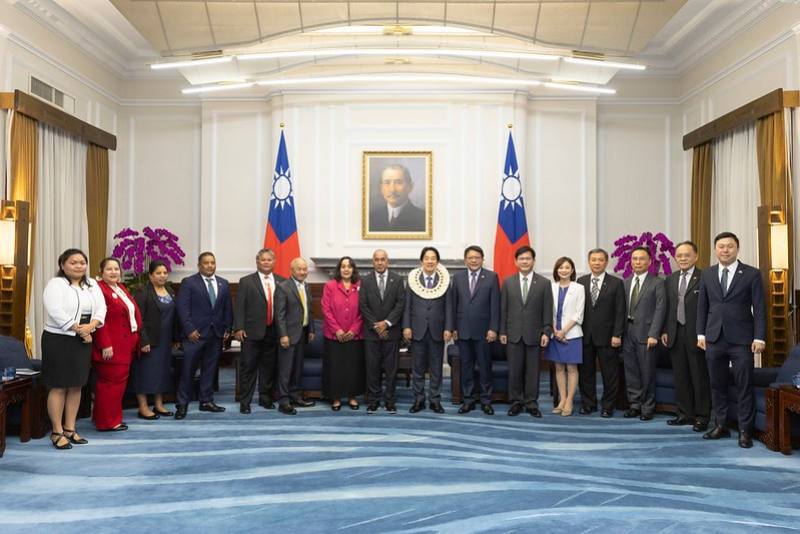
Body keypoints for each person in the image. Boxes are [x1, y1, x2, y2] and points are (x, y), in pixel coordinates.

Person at [697, 231, 766, 448]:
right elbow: (702, 307)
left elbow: (760, 309)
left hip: (742, 340)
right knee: (717, 385)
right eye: (721, 246)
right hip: (714, 338)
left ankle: (745, 431)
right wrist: (701, 334)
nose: (725, 250)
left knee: (744, 385)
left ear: (737, 249)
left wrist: (760, 337)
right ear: (715, 249)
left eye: (729, 246)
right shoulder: (707, 274)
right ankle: (721, 425)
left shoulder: (751, 274)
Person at [41, 249, 106, 449]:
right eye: (73, 262)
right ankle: (57, 431)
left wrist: (90, 327)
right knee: (59, 385)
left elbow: (101, 308)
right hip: (59, 340)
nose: (79, 266)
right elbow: (55, 310)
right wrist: (79, 329)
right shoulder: (56, 284)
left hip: (83, 340)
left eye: (82, 262)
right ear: (63, 265)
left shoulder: (92, 284)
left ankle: (70, 428)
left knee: (76, 385)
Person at [175, 252, 233, 419]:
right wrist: (189, 330)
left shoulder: (223, 283)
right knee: (188, 371)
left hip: (215, 334)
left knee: (209, 370)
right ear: (199, 265)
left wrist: (228, 327)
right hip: (195, 335)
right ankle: (182, 404)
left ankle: (206, 401)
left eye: (212, 263)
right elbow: (182, 309)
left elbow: (227, 308)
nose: (210, 266)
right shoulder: (189, 283)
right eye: (206, 263)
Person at [660, 241, 710, 432]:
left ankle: (702, 416)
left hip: (697, 335)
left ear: (696, 256)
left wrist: (704, 333)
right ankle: (684, 414)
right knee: (680, 376)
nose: (682, 258)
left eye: (686, 255)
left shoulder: (705, 277)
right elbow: (668, 308)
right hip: (674, 333)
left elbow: (710, 308)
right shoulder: (670, 279)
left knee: (699, 377)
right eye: (679, 255)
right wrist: (665, 330)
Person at [499, 246, 552, 418]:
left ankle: (531, 402)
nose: (525, 262)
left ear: (533, 261)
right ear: (516, 261)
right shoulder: (508, 282)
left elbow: (547, 310)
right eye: (521, 259)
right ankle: (516, 402)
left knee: (533, 371)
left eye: (528, 258)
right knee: (514, 370)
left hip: (534, 335)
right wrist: (502, 331)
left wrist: (546, 331)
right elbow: (503, 310)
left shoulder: (544, 283)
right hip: (513, 334)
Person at [447, 245, 500, 415]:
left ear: (482, 259)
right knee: (466, 368)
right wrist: (453, 327)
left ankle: (486, 400)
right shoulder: (458, 277)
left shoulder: (491, 277)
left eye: (477, 257)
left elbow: (495, 306)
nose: (474, 260)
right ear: (465, 260)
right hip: (462, 331)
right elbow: (453, 305)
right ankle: (468, 400)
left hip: (484, 332)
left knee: (485, 367)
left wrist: (493, 328)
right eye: (470, 257)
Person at [92, 257, 142, 432]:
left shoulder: (120, 288)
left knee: (117, 384)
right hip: (111, 346)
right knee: (111, 384)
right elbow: (99, 320)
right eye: (109, 269)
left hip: (125, 345)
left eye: (116, 269)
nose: (114, 272)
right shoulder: (99, 290)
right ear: (101, 271)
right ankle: (108, 422)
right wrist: (105, 344)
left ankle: (103, 417)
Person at [233, 249, 285, 414]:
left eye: (269, 259)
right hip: (251, 332)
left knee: (268, 368)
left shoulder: (282, 282)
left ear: (274, 261)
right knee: (248, 368)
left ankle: (265, 399)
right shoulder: (246, 281)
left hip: (273, 331)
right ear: (257, 261)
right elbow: (239, 307)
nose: (266, 262)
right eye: (263, 260)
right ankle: (245, 402)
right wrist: (239, 327)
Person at [577, 248, 626, 418]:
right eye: (593, 260)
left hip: (608, 337)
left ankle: (608, 406)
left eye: (600, 260)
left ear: (606, 262)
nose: (596, 263)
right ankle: (588, 404)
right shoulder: (580, 281)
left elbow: (620, 311)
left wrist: (617, 334)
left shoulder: (616, 283)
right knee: (585, 373)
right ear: (589, 262)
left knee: (610, 374)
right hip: (585, 336)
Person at [403, 246, 452, 414]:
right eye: (427, 258)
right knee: (417, 367)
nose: (430, 261)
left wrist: (448, 328)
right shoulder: (413, 281)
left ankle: (435, 400)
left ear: (437, 262)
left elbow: (449, 307)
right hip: (417, 330)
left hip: (438, 331)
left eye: (433, 258)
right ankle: (418, 400)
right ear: (421, 261)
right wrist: (406, 326)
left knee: (436, 368)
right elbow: (407, 305)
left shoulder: (444, 281)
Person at [622, 246, 666, 421]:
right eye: (634, 259)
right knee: (631, 370)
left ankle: (647, 407)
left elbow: (660, 309)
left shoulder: (657, 283)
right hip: (628, 331)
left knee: (647, 371)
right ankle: (634, 404)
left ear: (649, 262)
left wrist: (654, 334)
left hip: (647, 333)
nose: (637, 262)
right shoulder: (625, 282)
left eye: (641, 259)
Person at [359, 249, 406, 414]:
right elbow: (363, 306)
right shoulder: (365, 281)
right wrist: (376, 326)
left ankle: (390, 400)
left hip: (391, 333)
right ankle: (373, 401)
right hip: (371, 334)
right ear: (373, 262)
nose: (380, 262)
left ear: (388, 261)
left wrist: (386, 323)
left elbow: (400, 305)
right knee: (372, 369)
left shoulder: (398, 279)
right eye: (377, 259)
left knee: (391, 369)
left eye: (383, 259)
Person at [132, 260, 177, 420]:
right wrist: (143, 341)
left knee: (162, 373)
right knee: (144, 373)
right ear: (150, 275)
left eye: (165, 273)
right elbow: (138, 319)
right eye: (158, 273)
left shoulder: (170, 290)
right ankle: (143, 407)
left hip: (165, 341)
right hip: (149, 341)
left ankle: (158, 405)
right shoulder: (142, 291)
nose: (162, 276)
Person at [321, 257, 365, 411]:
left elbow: (363, 311)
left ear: (353, 269)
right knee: (335, 367)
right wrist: (337, 330)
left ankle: (352, 397)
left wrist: (353, 330)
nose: (346, 269)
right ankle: (336, 398)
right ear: (339, 269)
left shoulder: (360, 286)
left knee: (353, 367)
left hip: (355, 335)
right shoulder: (330, 286)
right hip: (334, 336)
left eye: (349, 266)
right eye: (343, 266)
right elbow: (326, 310)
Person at [274, 257, 317, 415]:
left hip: (303, 334)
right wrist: (283, 335)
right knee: (285, 370)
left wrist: (311, 329)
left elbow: (309, 310)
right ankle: (284, 401)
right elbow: (279, 315)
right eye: (299, 269)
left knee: (297, 368)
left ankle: (295, 396)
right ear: (291, 270)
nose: (302, 272)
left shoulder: (306, 286)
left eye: (305, 269)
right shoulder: (283, 287)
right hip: (288, 336)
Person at [545, 257, 585, 417]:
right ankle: (561, 399)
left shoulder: (579, 288)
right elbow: (548, 311)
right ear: (556, 270)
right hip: (555, 334)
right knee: (559, 368)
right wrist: (555, 331)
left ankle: (569, 400)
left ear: (572, 270)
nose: (563, 270)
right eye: (560, 268)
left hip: (572, 334)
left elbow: (579, 313)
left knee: (572, 368)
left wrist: (563, 331)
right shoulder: (551, 287)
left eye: (567, 267)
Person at [368, 164, 426, 232]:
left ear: (410, 187)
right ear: (381, 188)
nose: (392, 189)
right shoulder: (371, 217)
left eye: (398, 182)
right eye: (387, 182)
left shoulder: (423, 218)